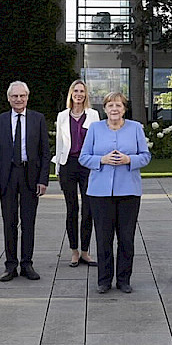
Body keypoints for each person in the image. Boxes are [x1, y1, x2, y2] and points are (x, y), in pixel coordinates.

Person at [80, 92, 151, 294]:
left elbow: (146, 156)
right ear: (105, 109)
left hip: (129, 191)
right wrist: (101, 160)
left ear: (124, 109)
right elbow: (83, 157)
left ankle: (123, 279)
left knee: (126, 238)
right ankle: (104, 280)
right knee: (103, 238)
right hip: (100, 192)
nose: (114, 109)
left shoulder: (135, 128)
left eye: (118, 105)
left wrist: (130, 160)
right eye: (110, 105)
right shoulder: (95, 128)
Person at [0, 81, 51, 282]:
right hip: (7, 176)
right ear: (9, 98)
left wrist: (43, 179)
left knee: (28, 222)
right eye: (15, 96)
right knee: (9, 222)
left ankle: (27, 264)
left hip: (29, 175)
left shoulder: (37, 119)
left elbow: (44, 152)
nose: (18, 99)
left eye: (22, 96)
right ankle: (10, 265)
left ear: (27, 97)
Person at [53, 79, 99, 267]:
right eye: (76, 91)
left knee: (88, 210)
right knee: (72, 209)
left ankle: (85, 251)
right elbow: (59, 143)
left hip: (87, 165)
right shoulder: (62, 116)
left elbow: (97, 141)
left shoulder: (93, 115)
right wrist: (57, 168)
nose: (79, 94)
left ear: (86, 94)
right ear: (71, 94)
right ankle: (74, 251)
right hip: (68, 165)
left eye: (82, 91)